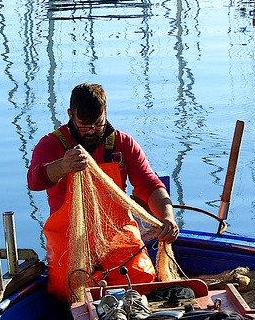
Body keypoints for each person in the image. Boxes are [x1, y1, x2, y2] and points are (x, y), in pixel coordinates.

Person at [27, 82, 179, 299]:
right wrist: (62, 166)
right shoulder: (52, 144)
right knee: (66, 290)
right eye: (83, 125)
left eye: (97, 124)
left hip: (117, 237)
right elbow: (34, 180)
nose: (91, 131)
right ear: (70, 114)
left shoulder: (123, 143)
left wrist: (167, 217)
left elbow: (149, 185)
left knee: (142, 278)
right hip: (70, 241)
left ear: (105, 113)